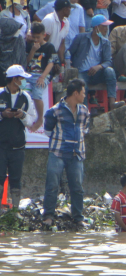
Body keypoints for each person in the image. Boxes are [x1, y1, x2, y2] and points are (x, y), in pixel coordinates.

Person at [42, 78, 91, 228]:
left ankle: (78, 217)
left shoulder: (84, 110)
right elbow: (47, 131)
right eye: (83, 93)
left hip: (77, 154)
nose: (84, 95)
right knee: (52, 185)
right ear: (75, 93)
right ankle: (48, 215)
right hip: (57, 153)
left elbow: (85, 129)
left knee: (77, 187)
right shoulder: (55, 110)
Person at [0, 65, 36, 211]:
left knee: (16, 179)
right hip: (1, 145)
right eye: (21, 78)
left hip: (18, 146)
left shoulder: (25, 97)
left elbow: (31, 120)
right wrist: (3, 115)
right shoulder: (0, 93)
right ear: (14, 79)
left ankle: (14, 210)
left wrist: (22, 115)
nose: (22, 81)